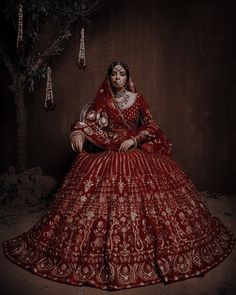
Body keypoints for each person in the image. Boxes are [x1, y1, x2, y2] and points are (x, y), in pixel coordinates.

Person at [2, 61, 235, 290]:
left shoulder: (138, 99)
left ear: (127, 76)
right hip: (107, 148)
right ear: (109, 77)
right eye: (113, 74)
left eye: (121, 74)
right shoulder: (103, 100)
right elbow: (90, 122)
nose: (117, 78)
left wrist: (133, 139)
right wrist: (78, 132)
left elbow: (152, 126)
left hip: (133, 150)